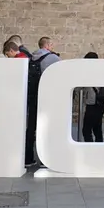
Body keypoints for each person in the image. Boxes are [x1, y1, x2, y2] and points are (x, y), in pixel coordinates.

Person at [25, 36, 61, 166]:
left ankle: (28, 158)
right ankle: (46, 160)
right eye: (52, 45)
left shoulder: (31, 57)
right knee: (47, 128)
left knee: (31, 127)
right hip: (46, 97)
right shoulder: (53, 58)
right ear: (48, 45)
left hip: (33, 96)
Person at [81, 52, 104, 143]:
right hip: (100, 103)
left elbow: (80, 86)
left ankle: (89, 149)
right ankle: (99, 149)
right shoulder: (100, 71)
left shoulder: (89, 72)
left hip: (92, 104)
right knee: (97, 129)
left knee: (86, 130)